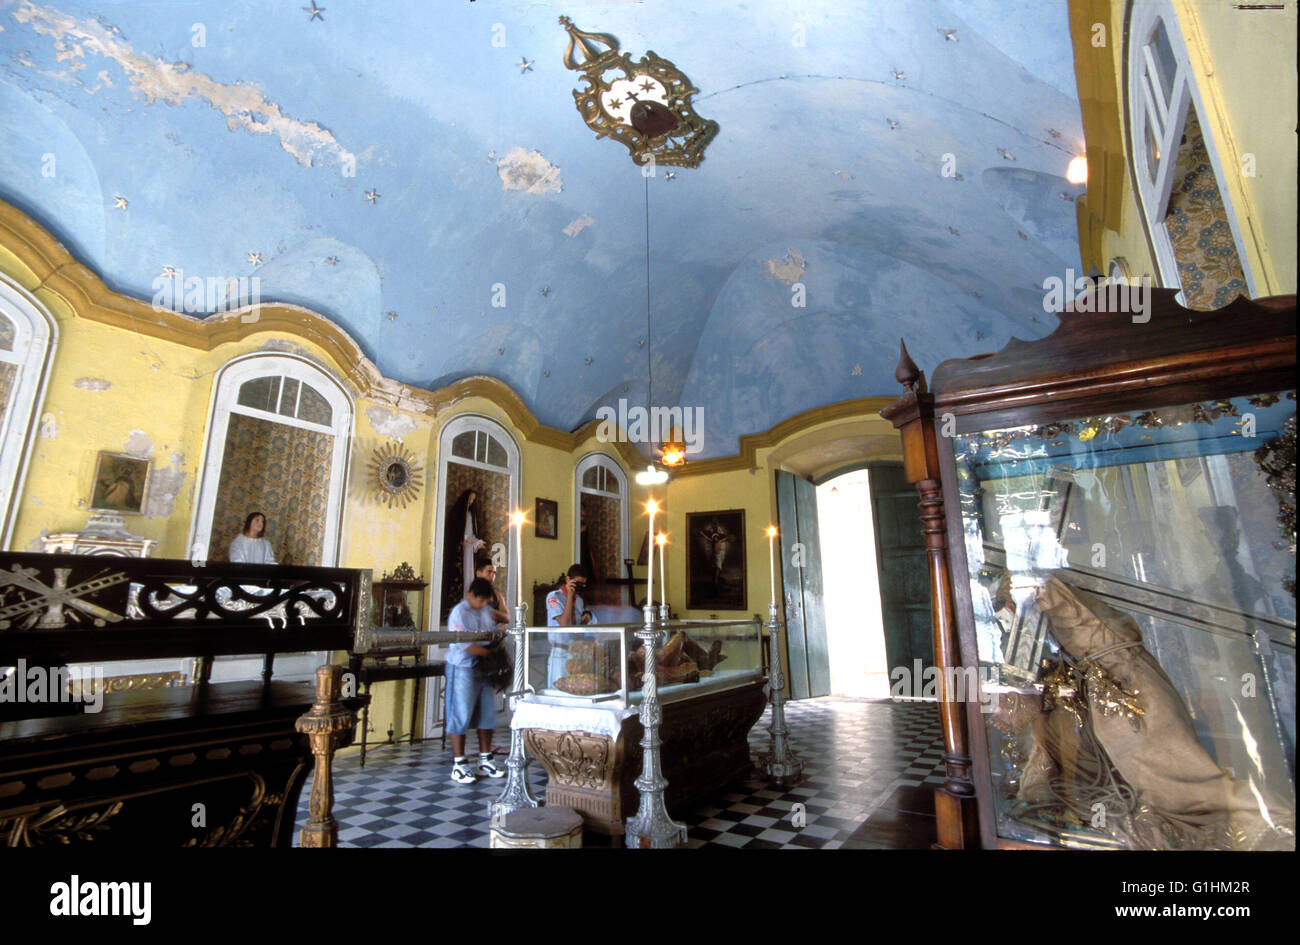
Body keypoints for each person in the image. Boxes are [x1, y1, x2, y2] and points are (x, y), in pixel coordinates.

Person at [445, 578, 507, 784]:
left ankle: (485, 758)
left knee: (487, 714)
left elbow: (494, 629)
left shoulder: (484, 610)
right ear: (470, 595)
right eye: (481, 601)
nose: (483, 605)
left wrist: (496, 648)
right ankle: (459, 763)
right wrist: (489, 653)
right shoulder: (459, 613)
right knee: (460, 714)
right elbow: (465, 644)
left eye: (485, 602)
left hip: (482, 669)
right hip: (462, 668)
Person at [545, 564, 592, 686]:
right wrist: (570, 596)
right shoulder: (554, 597)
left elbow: (577, 629)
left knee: (574, 689)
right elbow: (564, 624)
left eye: (582, 585)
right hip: (559, 652)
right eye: (577, 583)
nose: (578, 588)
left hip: (575, 652)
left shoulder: (580, 601)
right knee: (558, 690)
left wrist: (585, 621)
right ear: (568, 580)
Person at [443, 489, 487, 614]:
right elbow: (455, 533)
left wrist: (477, 542)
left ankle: (469, 603)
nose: (472, 502)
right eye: (470, 499)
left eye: (473, 500)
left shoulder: (470, 515)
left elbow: (471, 534)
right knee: (461, 576)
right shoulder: (456, 513)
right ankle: (460, 605)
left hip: (468, 550)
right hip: (459, 550)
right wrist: (468, 540)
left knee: (469, 576)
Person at [473, 555, 510, 625]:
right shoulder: (471, 594)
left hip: (491, 633)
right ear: (478, 573)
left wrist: (488, 611)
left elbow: (507, 618)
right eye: (489, 572)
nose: (492, 575)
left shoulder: (498, 595)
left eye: (494, 573)